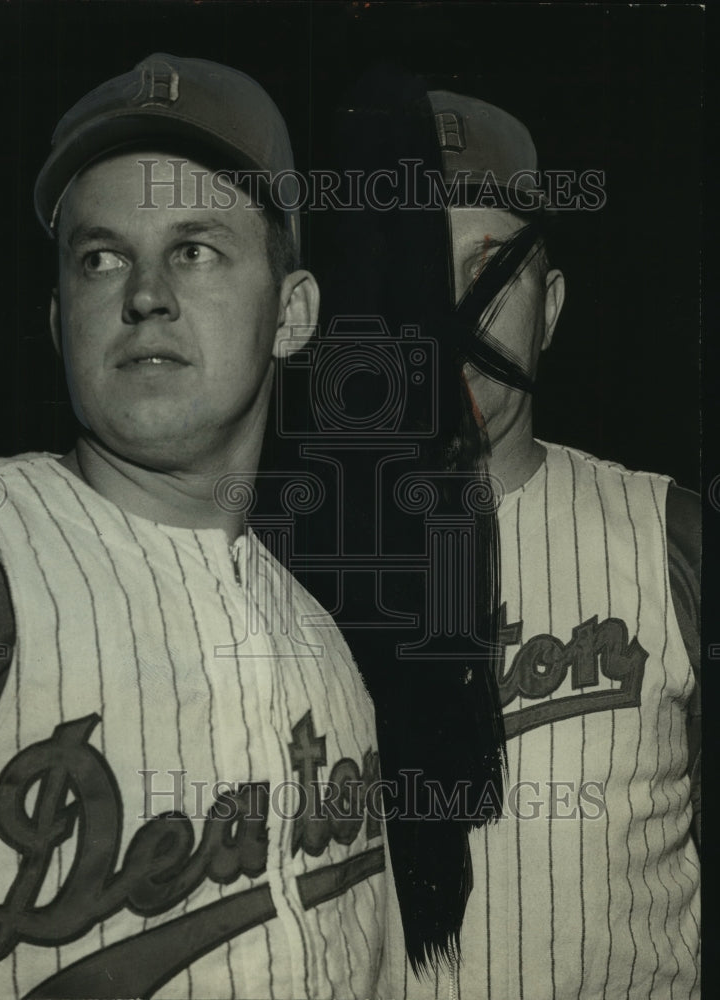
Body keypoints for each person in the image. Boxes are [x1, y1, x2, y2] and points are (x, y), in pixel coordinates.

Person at [0, 53, 413, 999]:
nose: (144, 292)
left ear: (291, 313)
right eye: (100, 257)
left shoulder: (326, 641)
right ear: (56, 320)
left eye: (195, 249)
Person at [419, 91, 701, 998]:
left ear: (547, 308)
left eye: (489, 271)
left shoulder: (675, 536)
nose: (453, 313)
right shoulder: (287, 566)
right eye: (419, 270)